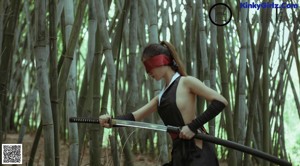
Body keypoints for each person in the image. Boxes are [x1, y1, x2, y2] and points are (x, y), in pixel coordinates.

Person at [99, 41, 228, 166]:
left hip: (198, 153)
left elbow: (221, 102)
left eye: (149, 66)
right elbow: (133, 117)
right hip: (179, 154)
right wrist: (111, 120)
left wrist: (192, 127)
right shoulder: (160, 97)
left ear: (161, 61)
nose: (148, 72)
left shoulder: (186, 82)